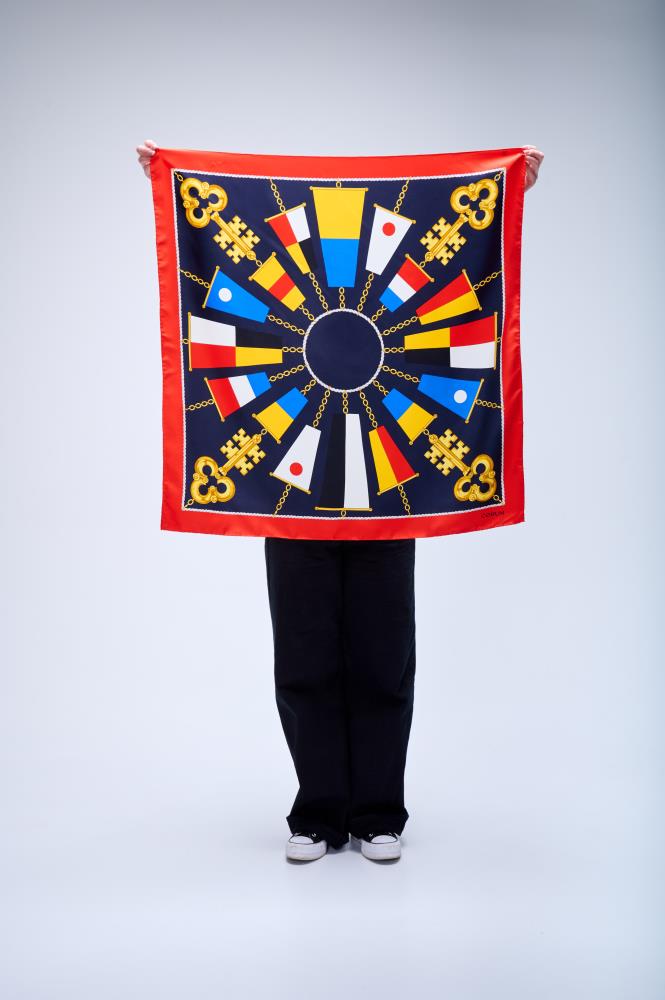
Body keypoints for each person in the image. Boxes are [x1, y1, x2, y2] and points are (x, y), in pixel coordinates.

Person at [137, 139, 544, 862]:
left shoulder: (399, 263)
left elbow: (448, 252)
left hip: (387, 493)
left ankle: (378, 814)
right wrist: (172, 180)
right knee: (303, 653)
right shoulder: (274, 265)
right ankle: (317, 814)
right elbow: (233, 269)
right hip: (290, 488)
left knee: (383, 654)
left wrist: (510, 186)